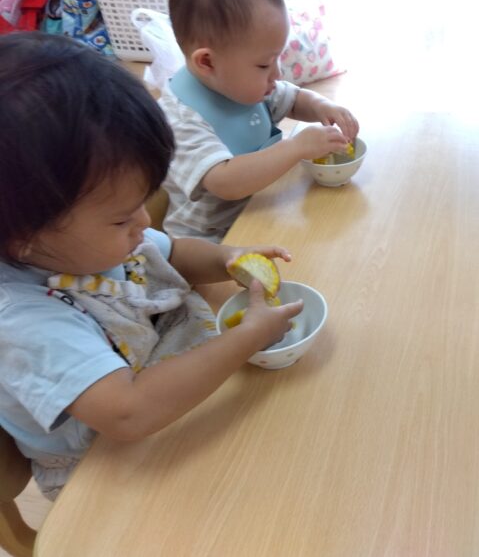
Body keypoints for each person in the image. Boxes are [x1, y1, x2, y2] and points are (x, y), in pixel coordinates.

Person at [0, 33, 305, 499]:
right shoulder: (24, 320)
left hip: (169, 382)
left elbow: (175, 253)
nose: (145, 221)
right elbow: (129, 411)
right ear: (26, 238)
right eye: (124, 216)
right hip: (104, 469)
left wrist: (228, 258)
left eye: (144, 202)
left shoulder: (86, 241)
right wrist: (247, 337)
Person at [160, 0, 360, 242]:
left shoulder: (243, 84)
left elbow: (293, 98)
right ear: (207, 63)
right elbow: (224, 182)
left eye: (277, 58)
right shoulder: (179, 118)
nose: (277, 74)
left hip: (261, 208)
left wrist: (322, 106)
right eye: (264, 64)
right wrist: (296, 148)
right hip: (211, 244)